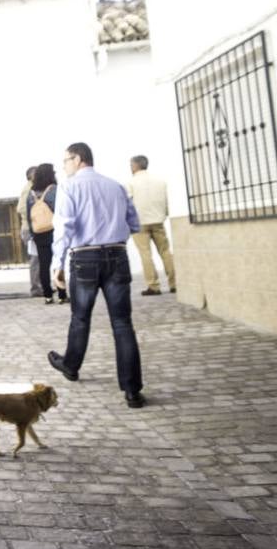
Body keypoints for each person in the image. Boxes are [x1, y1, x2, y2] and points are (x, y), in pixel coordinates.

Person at [46, 142, 146, 408]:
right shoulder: (116, 186)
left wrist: (57, 265)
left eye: (66, 160)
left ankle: (71, 366)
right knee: (122, 323)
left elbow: (64, 226)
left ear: (78, 159)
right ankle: (132, 390)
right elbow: (134, 223)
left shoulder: (70, 186)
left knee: (80, 318)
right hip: (117, 255)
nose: (64, 166)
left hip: (85, 258)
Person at [127, 155, 176, 296]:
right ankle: (174, 283)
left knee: (145, 254)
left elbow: (129, 205)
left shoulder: (131, 183)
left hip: (140, 223)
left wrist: (129, 222)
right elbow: (166, 202)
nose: (130, 167)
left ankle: (153, 286)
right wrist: (164, 215)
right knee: (165, 251)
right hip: (158, 221)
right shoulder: (160, 181)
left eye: (131, 165)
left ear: (135, 166)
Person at [26, 163, 67, 304]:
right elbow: (60, 211)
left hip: (38, 233)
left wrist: (33, 233)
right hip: (53, 231)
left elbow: (28, 215)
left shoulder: (31, 193)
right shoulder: (53, 190)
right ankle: (62, 294)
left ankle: (48, 296)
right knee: (58, 263)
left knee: (44, 264)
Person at [16, 166, 43, 296]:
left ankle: (41, 286)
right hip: (30, 228)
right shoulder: (29, 188)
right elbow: (20, 208)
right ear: (31, 176)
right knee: (36, 259)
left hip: (34, 227)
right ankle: (36, 288)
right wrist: (35, 215)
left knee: (41, 258)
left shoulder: (35, 188)